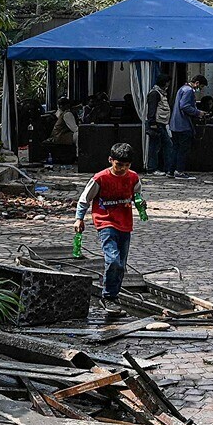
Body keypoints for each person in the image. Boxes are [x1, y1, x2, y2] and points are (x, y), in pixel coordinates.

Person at [74, 143, 146, 313]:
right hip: (105, 222)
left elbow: (137, 195)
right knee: (113, 259)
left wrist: (141, 204)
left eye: (126, 166)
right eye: (119, 165)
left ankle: (114, 291)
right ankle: (109, 297)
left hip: (125, 224)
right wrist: (79, 219)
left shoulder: (134, 178)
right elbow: (85, 199)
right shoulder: (100, 179)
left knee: (121, 264)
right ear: (111, 160)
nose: (122, 169)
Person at [168, 73, 206, 180]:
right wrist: (198, 112)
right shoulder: (189, 91)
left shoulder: (182, 89)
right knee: (183, 149)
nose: (200, 89)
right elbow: (184, 106)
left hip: (175, 124)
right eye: (201, 86)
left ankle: (171, 170)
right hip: (183, 124)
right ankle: (179, 171)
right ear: (197, 83)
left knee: (175, 148)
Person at [144, 76, 173, 176]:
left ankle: (159, 167)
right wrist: (153, 124)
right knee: (157, 146)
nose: (168, 85)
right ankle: (152, 168)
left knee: (158, 145)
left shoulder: (160, 93)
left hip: (161, 123)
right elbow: (152, 109)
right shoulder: (155, 94)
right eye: (167, 83)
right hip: (157, 123)